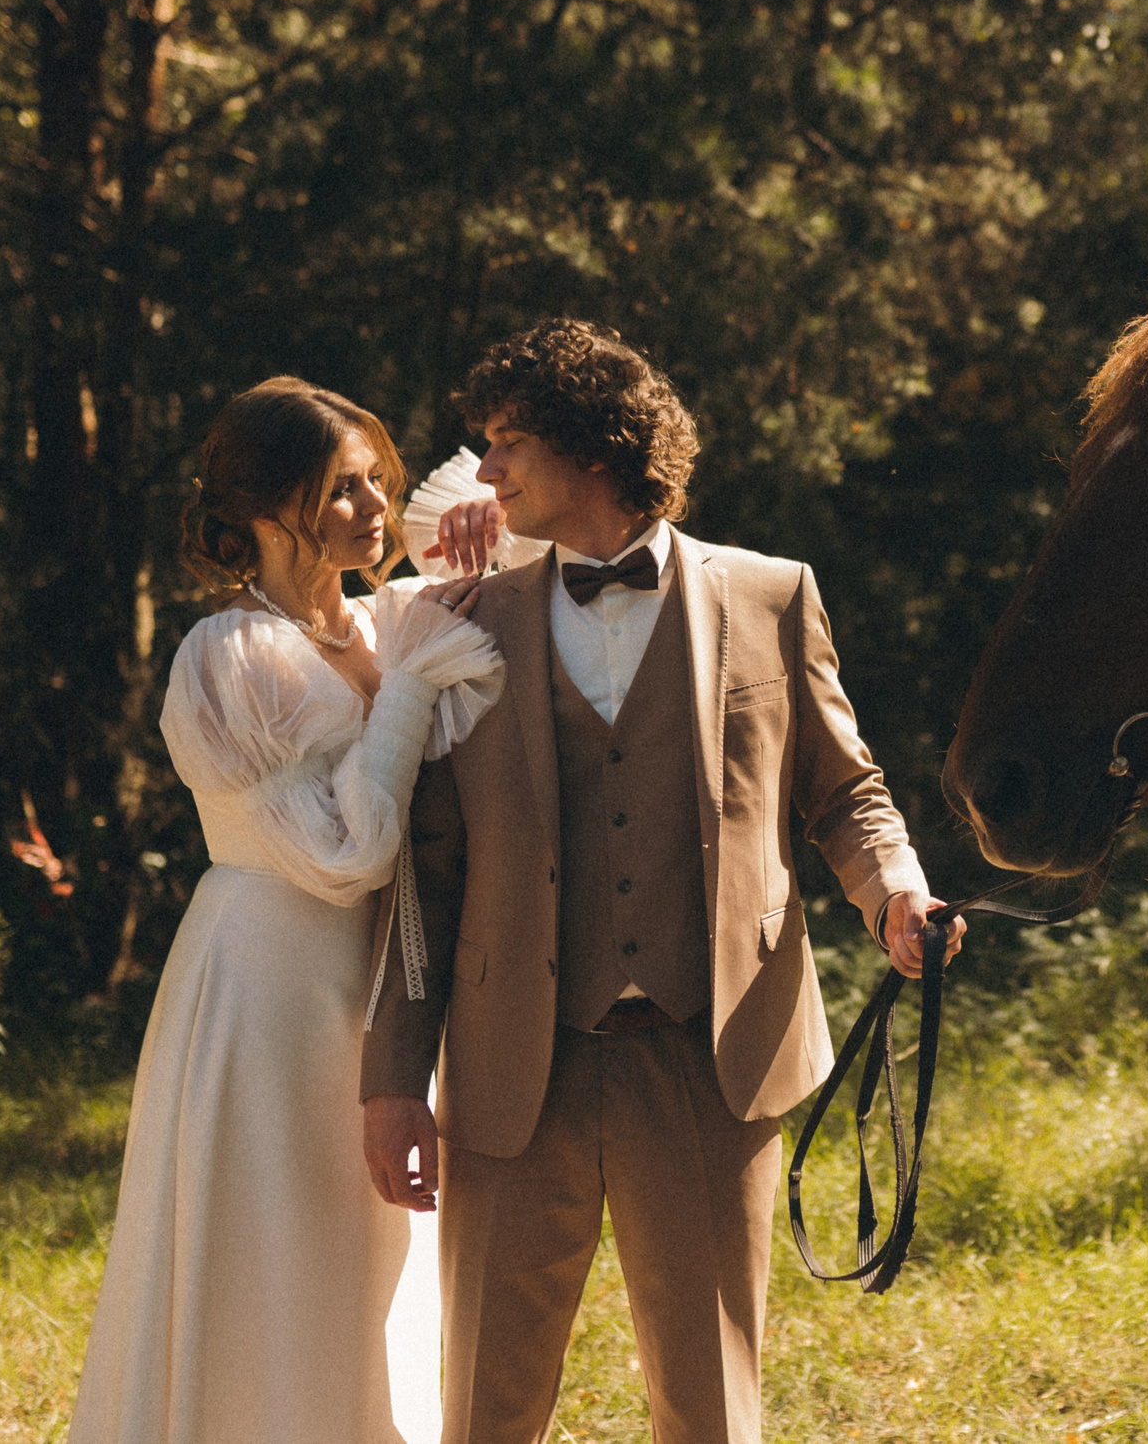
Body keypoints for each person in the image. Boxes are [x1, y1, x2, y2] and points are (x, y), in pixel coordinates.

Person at [358, 321, 964, 1444]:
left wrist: (895, 894)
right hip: (509, 1067)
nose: (483, 473)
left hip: (708, 1058)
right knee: (486, 1403)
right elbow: (423, 880)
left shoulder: (774, 597)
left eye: (507, 443)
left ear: (591, 450)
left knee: (709, 1404)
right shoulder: (458, 623)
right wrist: (395, 1074)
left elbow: (844, 793)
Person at [68, 377, 504, 1444]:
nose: (369, 507)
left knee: (372, 1255)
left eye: (372, 481)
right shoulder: (226, 658)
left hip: (380, 987)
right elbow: (345, 856)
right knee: (269, 1247)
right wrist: (406, 685)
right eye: (337, 489)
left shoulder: (387, 622)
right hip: (267, 981)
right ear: (263, 508)